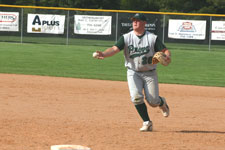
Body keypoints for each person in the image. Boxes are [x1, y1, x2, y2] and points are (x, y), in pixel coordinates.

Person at [93, 13, 171, 132]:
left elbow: (165, 50)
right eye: (133, 20)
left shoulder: (152, 38)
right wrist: (103, 54)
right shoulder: (126, 37)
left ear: (144, 23)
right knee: (136, 97)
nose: (134, 22)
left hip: (150, 73)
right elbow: (114, 49)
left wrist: (167, 57)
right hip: (133, 72)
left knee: (153, 102)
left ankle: (162, 102)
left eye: (138, 20)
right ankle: (147, 122)